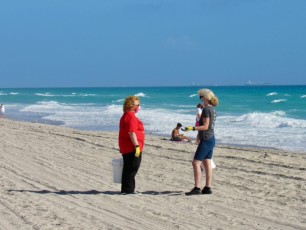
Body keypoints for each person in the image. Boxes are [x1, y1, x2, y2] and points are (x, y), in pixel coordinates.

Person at [183, 89, 219, 195]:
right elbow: (206, 126)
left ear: (206, 97)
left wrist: (192, 128)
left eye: (202, 97)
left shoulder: (206, 110)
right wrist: (198, 135)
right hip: (211, 138)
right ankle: (207, 187)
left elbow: (205, 126)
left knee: (196, 163)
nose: (201, 99)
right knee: (207, 163)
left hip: (207, 139)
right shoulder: (213, 109)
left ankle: (197, 188)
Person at [118, 96, 145, 194]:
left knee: (128, 167)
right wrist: (137, 146)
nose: (139, 107)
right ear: (131, 105)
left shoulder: (126, 115)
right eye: (137, 105)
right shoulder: (130, 116)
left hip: (127, 146)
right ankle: (129, 189)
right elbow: (131, 132)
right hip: (131, 147)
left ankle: (126, 189)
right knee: (132, 168)